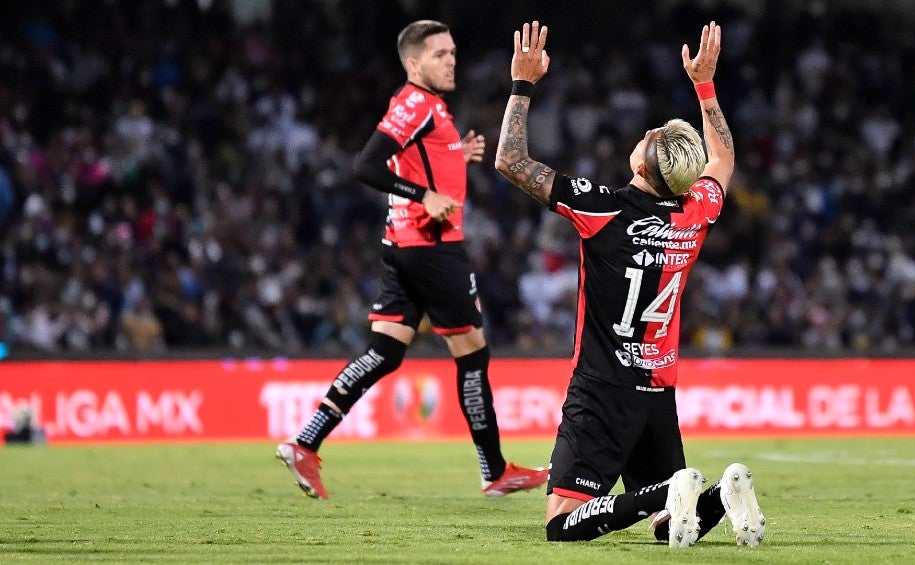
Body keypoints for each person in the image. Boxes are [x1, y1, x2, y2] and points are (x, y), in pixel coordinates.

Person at [494, 21, 766, 546]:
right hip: (657, 388)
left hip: (602, 384)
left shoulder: (603, 209)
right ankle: (718, 496)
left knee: (560, 525)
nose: (643, 136)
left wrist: (522, 85)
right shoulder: (694, 214)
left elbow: (510, 160)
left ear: (646, 163)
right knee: (672, 533)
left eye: (650, 138)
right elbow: (724, 158)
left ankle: (669, 491)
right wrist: (705, 87)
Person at [276, 19, 547, 500]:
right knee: (473, 355)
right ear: (413, 63)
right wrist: (424, 194)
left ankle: (305, 443)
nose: (450, 61)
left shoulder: (428, 110)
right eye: (439, 54)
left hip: (402, 246)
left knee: (384, 353)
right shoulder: (416, 104)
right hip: (432, 248)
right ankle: (495, 470)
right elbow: (366, 165)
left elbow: (410, 157)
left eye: (453, 52)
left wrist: (453, 155)